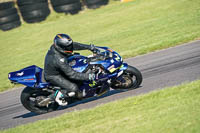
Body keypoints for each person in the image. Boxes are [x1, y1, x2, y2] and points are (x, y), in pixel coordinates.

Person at [43, 34, 98, 105]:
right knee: (73, 88)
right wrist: (90, 76)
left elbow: (73, 45)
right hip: (54, 76)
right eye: (68, 46)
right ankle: (55, 96)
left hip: (58, 67)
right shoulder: (59, 59)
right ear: (62, 47)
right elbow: (72, 75)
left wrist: (89, 47)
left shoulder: (58, 47)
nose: (70, 47)